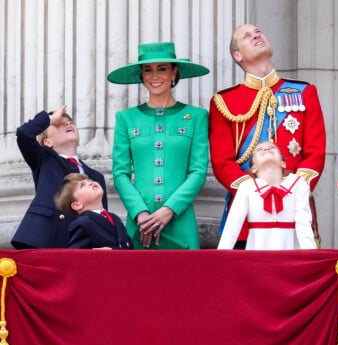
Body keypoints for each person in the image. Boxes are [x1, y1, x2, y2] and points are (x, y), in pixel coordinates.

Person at [209, 24, 326, 249]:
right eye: (247, 36)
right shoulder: (224, 102)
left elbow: (315, 153)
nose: (256, 36)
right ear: (238, 55)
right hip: (246, 216)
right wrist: (255, 192)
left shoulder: (304, 92)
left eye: (259, 32)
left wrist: (292, 190)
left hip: (295, 213)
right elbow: (222, 162)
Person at [108, 42, 210, 250]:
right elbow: (120, 173)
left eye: (162, 69)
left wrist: (169, 209)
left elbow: (198, 171)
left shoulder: (196, 117)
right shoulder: (126, 118)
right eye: (148, 70)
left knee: (186, 279)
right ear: (142, 76)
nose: (155, 76)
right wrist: (139, 212)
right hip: (141, 223)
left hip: (179, 219)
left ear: (174, 72)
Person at [11, 106, 108, 249]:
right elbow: (24, 133)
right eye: (59, 124)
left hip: (79, 246)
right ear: (47, 142)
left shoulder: (96, 177)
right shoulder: (44, 159)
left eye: (70, 122)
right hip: (43, 238)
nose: (67, 124)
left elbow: (100, 216)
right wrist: (49, 119)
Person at [218, 142, 316, 250]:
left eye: (272, 148)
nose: (266, 149)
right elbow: (232, 227)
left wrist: (311, 258)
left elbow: (304, 225)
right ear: (253, 168)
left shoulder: (299, 185)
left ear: (283, 163)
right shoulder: (246, 187)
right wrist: (221, 260)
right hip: (257, 257)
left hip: (290, 256)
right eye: (260, 150)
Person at [55, 173, 133, 250]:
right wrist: (94, 252)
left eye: (89, 180)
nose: (90, 183)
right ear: (77, 205)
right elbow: (75, 255)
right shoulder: (82, 223)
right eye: (82, 185)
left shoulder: (115, 218)